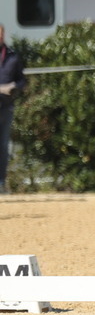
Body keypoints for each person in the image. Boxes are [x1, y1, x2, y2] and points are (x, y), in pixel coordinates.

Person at [0, 24, 29, 194]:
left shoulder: (12, 56)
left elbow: (22, 80)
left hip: (6, 108)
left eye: (1, 34)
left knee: (3, 147)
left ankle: (1, 183)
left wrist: (14, 87)